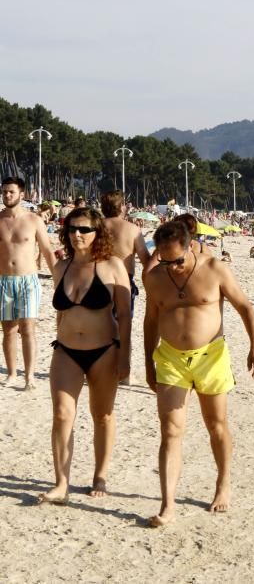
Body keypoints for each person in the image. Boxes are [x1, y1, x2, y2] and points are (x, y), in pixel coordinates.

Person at [143, 220, 254, 526]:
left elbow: (245, 308)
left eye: (178, 260)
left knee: (216, 426)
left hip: (211, 357)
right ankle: (167, 505)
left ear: (190, 245)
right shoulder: (155, 277)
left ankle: (223, 483)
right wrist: (147, 361)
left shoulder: (214, 269)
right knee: (170, 431)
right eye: (165, 260)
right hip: (171, 359)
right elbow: (150, 320)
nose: (172, 268)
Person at [39, 207, 131, 503]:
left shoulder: (113, 266)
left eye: (84, 229)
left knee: (102, 416)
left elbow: (126, 316)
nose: (77, 234)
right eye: (72, 229)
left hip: (104, 350)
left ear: (97, 233)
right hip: (66, 351)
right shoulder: (60, 267)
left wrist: (125, 356)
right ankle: (61, 483)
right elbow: (61, 315)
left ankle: (100, 476)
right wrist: (59, 338)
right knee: (62, 414)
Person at [0, 177, 57, 389]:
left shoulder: (34, 220)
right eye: (4, 192)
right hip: (4, 280)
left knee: (28, 328)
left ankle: (30, 376)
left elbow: (47, 251)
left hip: (28, 280)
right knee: (8, 329)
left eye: (11, 192)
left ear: (22, 195)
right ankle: (12, 373)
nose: (7, 195)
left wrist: (57, 279)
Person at [101, 190, 151, 315]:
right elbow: (146, 260)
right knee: (122, 322)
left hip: (98, 277)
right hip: (123, 280)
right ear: (121, 206)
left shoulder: (97, 226)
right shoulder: (132, 229)